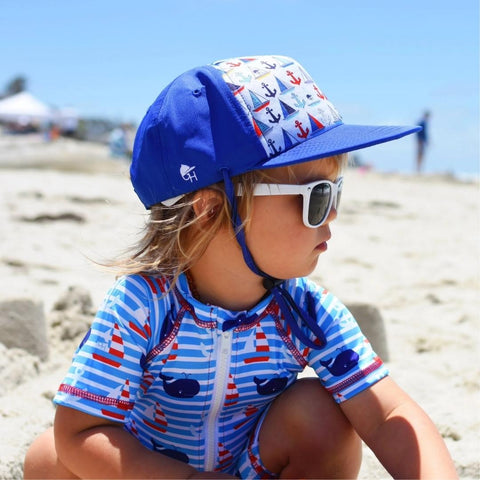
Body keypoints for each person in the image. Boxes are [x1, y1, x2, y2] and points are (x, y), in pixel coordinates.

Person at [23, 55, 457, 479]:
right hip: (146, 471)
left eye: (336, 194)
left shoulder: (306, 311)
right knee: (47, 458)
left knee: (322, 411)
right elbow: (81, 430)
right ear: (210, 210)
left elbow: (390, 415)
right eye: (317, 197)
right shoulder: (144, 307)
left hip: (253, 466)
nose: (333, 215)